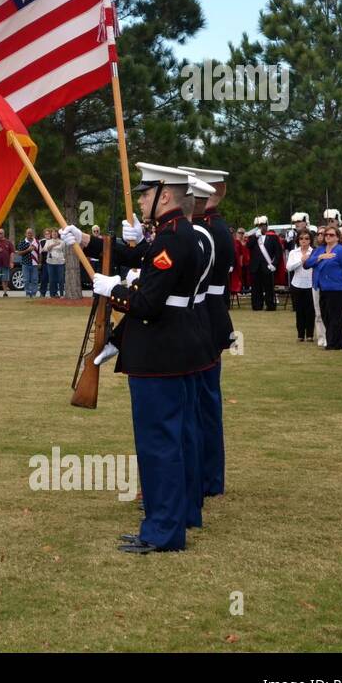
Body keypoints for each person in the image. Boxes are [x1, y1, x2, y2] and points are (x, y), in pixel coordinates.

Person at [60, 164, 214, 554]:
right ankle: (184, 513)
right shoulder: (185, 235)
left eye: (146, 194)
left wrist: (114, 288)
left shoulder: (171, 239)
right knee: (182, 437)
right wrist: (87, 241)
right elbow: (139, 253)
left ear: (165, 196)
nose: (141, 200)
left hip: (160, 353)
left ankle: (163, 530)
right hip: (182, 348)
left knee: (158, 442)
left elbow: (147, 302)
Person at [179, 165, 232, 499]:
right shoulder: (207, 227)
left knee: (201, 406)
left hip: (204, 319)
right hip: (209, 318)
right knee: (203, 405)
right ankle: (207, 478)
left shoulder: (206, 230)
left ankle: (203, 478)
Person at [303, 225, 342, 350]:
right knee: (325, 315)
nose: (328, 237)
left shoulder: (341, 250)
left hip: (337, 288)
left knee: (335, 316)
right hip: (322, 287)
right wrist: (319, 257)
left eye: (331, 235)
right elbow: (307, 264)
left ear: (337, 237)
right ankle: (331, 340)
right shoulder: (320, 250)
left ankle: (334, 343)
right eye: (326, 234)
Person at [285, 230, 316, 340]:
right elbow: (288, 267)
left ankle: (310, 334)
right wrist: (301, 261)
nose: (304, 241)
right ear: (298, 240)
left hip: (310, 284)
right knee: (299, 310)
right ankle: (300, 334)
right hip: (297, 284)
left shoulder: (314, 251)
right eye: (301, 238)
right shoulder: (294, 252)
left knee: (310, 311)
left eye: (307, 238)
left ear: (310, 240)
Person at [247, 217, 283, 310]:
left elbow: (278, 252)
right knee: (256, 288)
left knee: (269, 288)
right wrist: (256, 237)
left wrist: (274, 264)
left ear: (266, 226)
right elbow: (248, 246)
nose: (261, 228)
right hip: (255, 266)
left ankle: (270, 305)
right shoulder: (253, 237)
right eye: (258, 226)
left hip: (268, 266)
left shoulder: (273, 237)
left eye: (263, 226)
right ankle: (257, 305)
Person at [18, 227, 40, 297]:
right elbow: (19, 253)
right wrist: (28, 250)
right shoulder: (22, 242)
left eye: (31, 233)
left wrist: (40, 262)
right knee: (26, 280)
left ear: (33, 234)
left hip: (35, 264)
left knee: (35, 280)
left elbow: (40, 253)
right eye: (28, 233)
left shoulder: (36, 242)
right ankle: (27, 293)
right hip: (25, 264)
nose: (30, 234)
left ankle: (33, 293)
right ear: (25, 234)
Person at [0, 228, 14, 297]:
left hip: (6, 264)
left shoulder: (8, 242)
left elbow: (12, 253)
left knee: (5, 279)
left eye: (0, 233)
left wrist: (11, 262)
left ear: (3, 234)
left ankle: (5, 293)